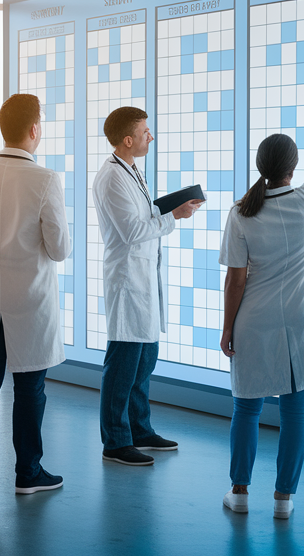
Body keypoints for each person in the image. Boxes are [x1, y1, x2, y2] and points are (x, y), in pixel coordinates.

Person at [218, 91, 304, 519]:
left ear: (260, 167)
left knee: (246, 409)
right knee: (295, 412)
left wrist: (228, 327)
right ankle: (284, 499)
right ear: (293, 167)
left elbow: (235, 278)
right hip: (303, 321)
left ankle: (240, 492)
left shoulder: (241, 212)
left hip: (255, 321)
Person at [0, 93, 71, 495]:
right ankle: (28, 472)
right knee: (29, 388)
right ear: (34, 129)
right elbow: (59, 249)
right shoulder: (44, 179)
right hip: (31, 302)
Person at [93, 106, 202, 466]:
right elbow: (133, 231)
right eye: (145, 133)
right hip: (127, 279)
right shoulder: (111, 177)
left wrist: (169, 208)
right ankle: (115, 441)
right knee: (123, 364)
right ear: (128, 140)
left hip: (143, 277)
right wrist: (174, 215)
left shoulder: (131, 170)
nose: (150, 137)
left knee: (145, 360)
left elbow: (144, 216)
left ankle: (139, 429)